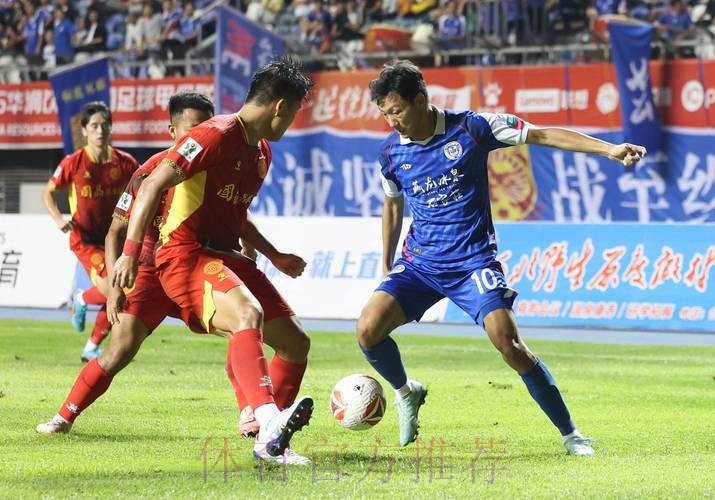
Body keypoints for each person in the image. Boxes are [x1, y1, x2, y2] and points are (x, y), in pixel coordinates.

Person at [356, 60, 647, 456]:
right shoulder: (390, 152)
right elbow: (392, 203)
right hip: (420, 263)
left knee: (508, 343)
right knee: (368, 329)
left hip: (472, 262)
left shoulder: (472, 128)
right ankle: (407, 392)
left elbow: (542, 134)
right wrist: (387, 262)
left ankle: (572, 434)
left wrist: (609, 149)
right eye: (386, 114)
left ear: (420, 99)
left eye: (398, 111)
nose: (392, 122)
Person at [36, 93, 311, 464]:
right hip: (151, 271)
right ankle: (64, 415)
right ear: (172, 131)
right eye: (192, 127)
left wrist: (268, 253)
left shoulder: (222, 157)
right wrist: (116, 284)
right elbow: (116, 230)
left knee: (244, 324)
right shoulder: (153, 170)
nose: (200, 133)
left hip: (199, 261)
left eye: (206, 125)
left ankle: (256, 417)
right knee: (120, 349)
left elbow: (238, 217)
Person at [112, 56, 314, 464]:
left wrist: (273, 255)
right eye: (294, 112)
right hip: (185, 255)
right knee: (247, 314)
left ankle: (269, 441)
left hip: (227, 257)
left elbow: (236, 214)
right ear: (280, 106)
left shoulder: (261, 152)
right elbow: (151, 185)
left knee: (296, 343)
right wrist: (130, 254)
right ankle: (267, 419)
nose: (292, 122)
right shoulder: (213, 134)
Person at [41, 101, 138, 362]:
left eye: (105, 125)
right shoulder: (73, 162)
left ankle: (91, 345)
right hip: (85, 239)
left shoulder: (126, 162)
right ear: (84, 130)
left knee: (121, 290)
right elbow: (48, 192)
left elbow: (144, 189)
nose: (100, 130)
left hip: (114, 239)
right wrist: (58, 219)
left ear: (111, 128)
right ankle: (82, 299)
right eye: (94, 126)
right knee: (111, 289)